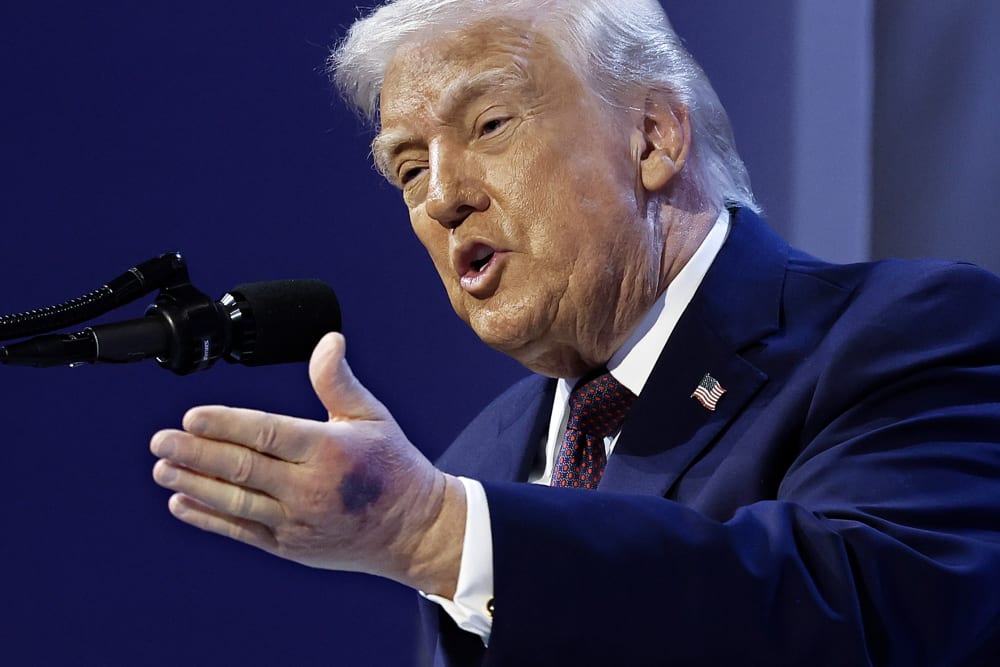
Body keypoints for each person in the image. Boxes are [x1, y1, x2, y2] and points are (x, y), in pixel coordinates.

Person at [148, 0, 1000, 664]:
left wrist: (441, 536)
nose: (441, 198)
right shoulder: (480, 459)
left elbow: (874, 614)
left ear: (653, 138)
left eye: (489, 126)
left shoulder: (905, 330)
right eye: (409, 169)